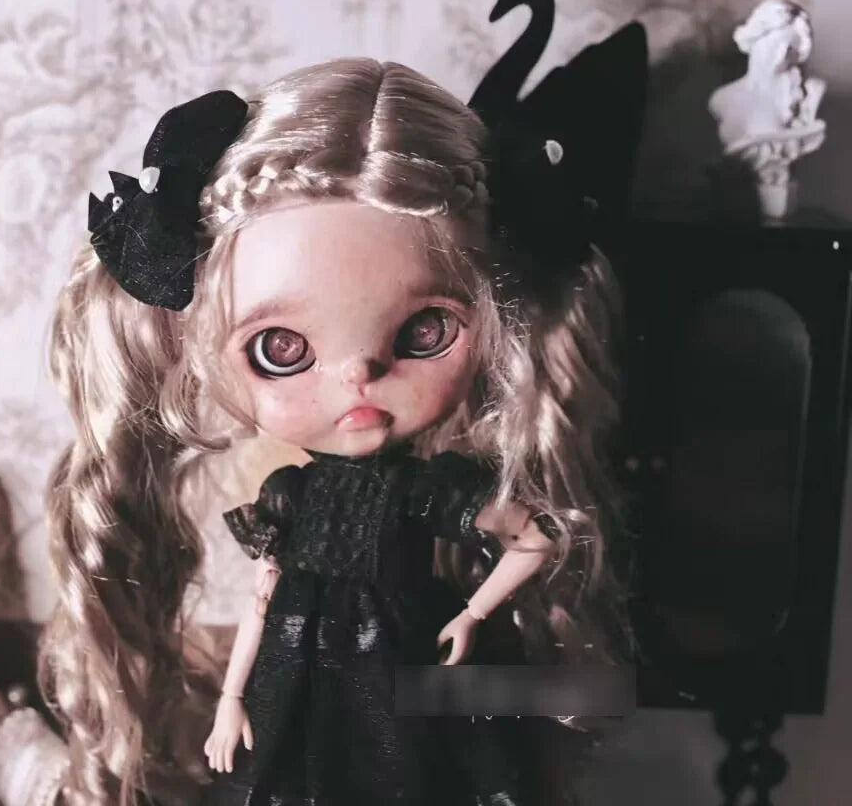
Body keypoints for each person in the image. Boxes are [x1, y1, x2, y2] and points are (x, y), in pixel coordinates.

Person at [38, 58, 629, 806]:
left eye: (425, 331)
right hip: (296, 679)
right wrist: (231, 700)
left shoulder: (428, 491)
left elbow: (535, 537)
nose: (358, 377)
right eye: (281, 349)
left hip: (405, 682)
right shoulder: (289, 495)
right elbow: (261, 603)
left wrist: (474, 614)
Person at [709, 0, 826, 151]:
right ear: (754, 40)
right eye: (773, 44)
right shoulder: (722, 99)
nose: (779, 55)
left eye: (789, 49)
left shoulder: (809, 93)